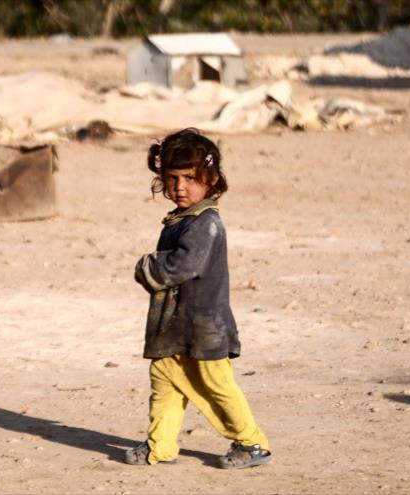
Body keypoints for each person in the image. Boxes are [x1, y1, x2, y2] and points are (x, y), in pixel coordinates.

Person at [126, 128, 271, 469]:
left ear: (211, 180)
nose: (180, 187)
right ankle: (159, 446)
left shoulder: (205, 223)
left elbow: (183, 265)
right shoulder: (181, 220)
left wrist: (148, 265)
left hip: (205, 327)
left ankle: (251, 442)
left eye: (190, 178)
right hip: (175, 326)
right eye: (173, 178)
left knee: (216, 387)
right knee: (164, 383)